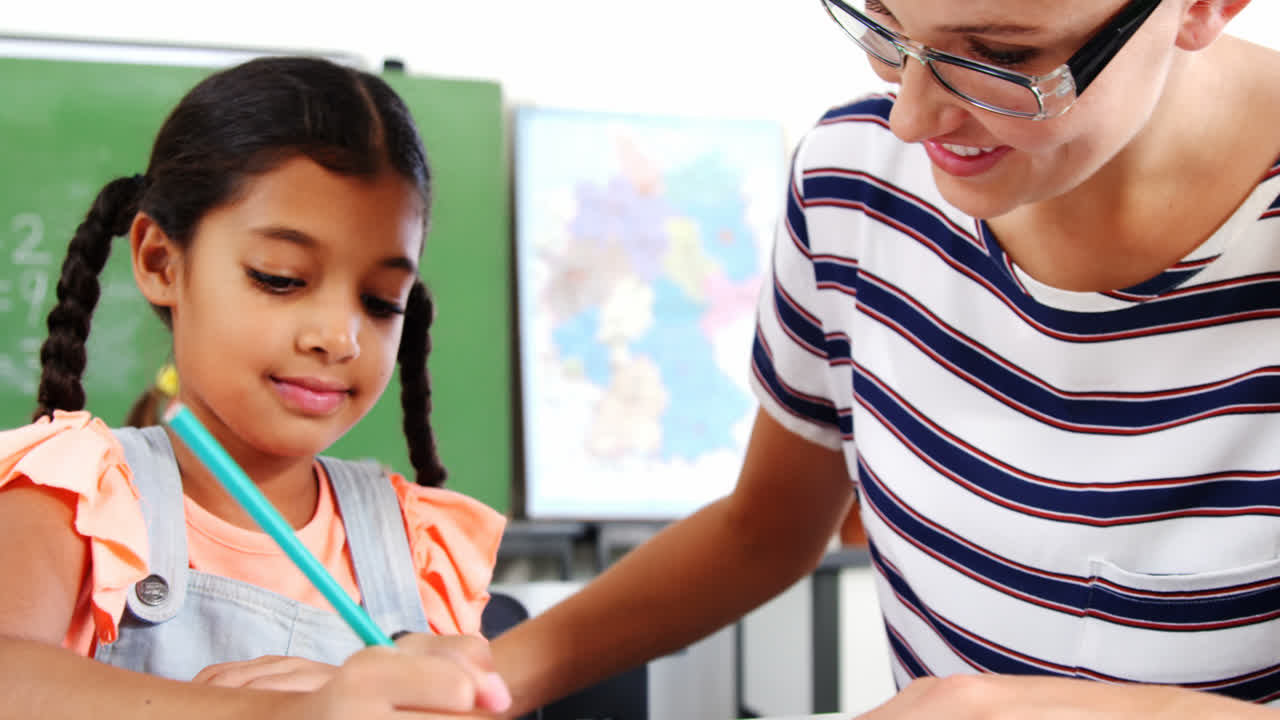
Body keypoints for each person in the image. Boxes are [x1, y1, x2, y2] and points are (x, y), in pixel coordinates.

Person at [489, 1, 1280, 717]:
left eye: (999, 58)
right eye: (885, 24)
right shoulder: (853, 179)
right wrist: (486, 680)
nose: (910, 117)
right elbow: (762, 530)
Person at [0, 56, 511, 717]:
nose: (340, 336)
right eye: (280, 277)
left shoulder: (418, 545)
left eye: (382, 300)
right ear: (160, 261)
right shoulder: (75, 496)